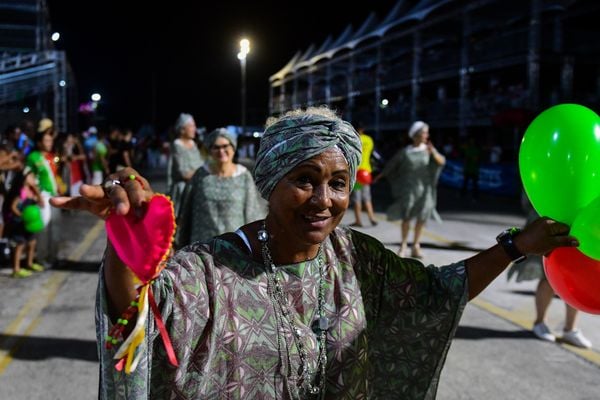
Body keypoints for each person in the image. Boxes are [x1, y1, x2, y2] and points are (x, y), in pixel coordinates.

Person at [50, 107, 577, 399]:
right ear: (272, 183)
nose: (325, 200)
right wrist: (126, 250)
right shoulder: (210, 270)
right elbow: (135, 322)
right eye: (305, 181)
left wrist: (514, 247)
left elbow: (436, 291)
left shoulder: (357, 259)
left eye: (339, 183)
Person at [508, 192, 592, 349]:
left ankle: (570, 329)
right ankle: (540, 322)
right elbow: (530, 198)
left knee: (577, 277)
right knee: (548, 277)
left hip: (581, 223)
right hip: (550, 222)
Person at [175, 127, 265, 247]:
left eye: (225, 146)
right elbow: (186, 212)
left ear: (233, 148)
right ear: (210, 150)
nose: (221, 151)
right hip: (202, 248)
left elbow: (252, 213)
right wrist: (179, 242)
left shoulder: (244, 176)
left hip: (233, 249)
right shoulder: (200, 175)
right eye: (216, 147)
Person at [374, 121, 445, 258]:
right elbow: (392, 165)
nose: (427, 135)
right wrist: (381, 175)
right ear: (416, 135)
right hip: (409, 189)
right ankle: (404, 245)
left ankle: (416, 246)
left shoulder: (429, 150)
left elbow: (441, 162)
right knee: (407, 217)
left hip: (425, 190)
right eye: (424, 133)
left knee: (422, 217)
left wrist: (434, 153)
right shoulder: (406, 152)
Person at [3, 168, 45, 278]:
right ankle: (16, 269)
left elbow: (42, 204)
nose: (33, 179)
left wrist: (36, 189)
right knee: (19, 244)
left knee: (32, 243)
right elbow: (13, 206)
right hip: (20, 223)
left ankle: (29, 263)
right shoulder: (21, 191)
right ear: (25, 178)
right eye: (31, 176)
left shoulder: (32, 191)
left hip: (30, 223)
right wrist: (22, 216)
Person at [166, 113, 205, 216]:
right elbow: (183, 172)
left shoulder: (193, 144)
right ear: (182, 129)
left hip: (195, 187)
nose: (194, 129)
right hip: (183, 190)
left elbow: (201, 164)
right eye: (192, 126)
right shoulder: (177, 144)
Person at [349, 123, 377, 227]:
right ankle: (372, 218)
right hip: (367, 171)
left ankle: (358, 221)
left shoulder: (354, 139)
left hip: (358, 172)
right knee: (367, 197)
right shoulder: (369, 140)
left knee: (357, 198)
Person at [460, 134, 481, 200]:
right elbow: (465, 157)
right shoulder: (467, 148)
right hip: (467, 169)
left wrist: (472, 158)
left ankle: (475, 196)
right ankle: (463, 194)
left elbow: (477, 159)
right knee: (465, 183)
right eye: (470, 140)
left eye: (473, 140)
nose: (472, 141)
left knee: (475, 184)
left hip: (474, 170)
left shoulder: (477, 149)